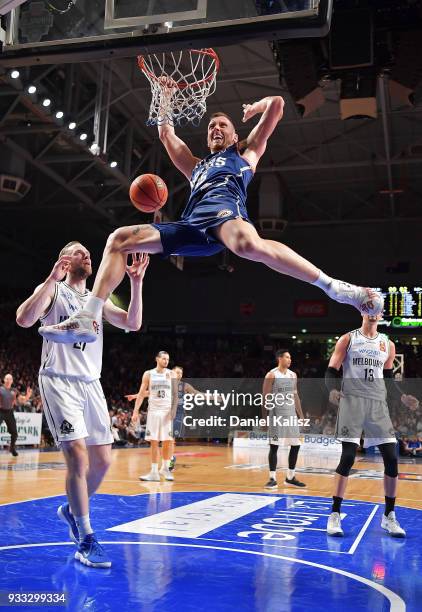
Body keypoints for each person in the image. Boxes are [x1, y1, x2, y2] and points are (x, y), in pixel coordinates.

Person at [39, 87, 383, 344]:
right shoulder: (195, 167)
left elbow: (277, 105)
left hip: (226, 217)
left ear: (235, 135)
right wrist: (165, 96)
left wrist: (255, 107)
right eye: (210, 127)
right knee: (119, 239)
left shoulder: (245, 156)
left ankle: (335, 288)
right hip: (191, 228)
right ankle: (89, 316)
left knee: (248, 245)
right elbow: (165, 133)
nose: (215, 128)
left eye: (222, 125)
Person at [16, 241, 149, 567]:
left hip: (91, 383)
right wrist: (49, 279)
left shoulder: (96, 300)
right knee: (77, 455)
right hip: (58, 379)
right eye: (79, 252)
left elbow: (133, 323)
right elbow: (23, 319)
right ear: (64, 259)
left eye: (89, 253)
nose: (87, 255)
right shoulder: (54, 290)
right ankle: (86, 538)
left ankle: (72, 509)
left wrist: (135, 282)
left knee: (102, 460)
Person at [325, 314, 419, 538]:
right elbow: (331, 371)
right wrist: (331, 390)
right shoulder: (348, 339)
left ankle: (389, 516)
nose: (372, 310)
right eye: (368, 305)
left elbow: (387, 378)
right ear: (361, 311)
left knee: (392, 457)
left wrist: (403, 396)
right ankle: (335, 514)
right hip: (352, 401)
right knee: (348, 457)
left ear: (380, 314)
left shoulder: (388, 344)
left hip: (378, 404)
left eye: (376, 306)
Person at [262, 350, 306, 489]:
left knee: (296, 445)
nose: (290, 359)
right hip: (276, 414)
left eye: (290, 357)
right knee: (274, 446)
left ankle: (290, 477)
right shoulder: (271, 375)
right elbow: (265, 397)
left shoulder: (293, 375)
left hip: (291, 415)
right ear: (279, 358)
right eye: (287, 357)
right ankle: (272, 478)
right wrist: (264, 418)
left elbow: (295, 396)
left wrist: (301, 415)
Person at [130, 351, 176, 482]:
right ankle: (154, 472)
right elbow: (141, 393)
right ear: (157, 359)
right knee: (154, 442)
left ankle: (165, 468)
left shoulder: (171, 374)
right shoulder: (148, 374)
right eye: (163, 359)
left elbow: (175, 395)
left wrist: (174, 409)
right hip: (154, 411)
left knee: (168, 441)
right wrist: (135, 411)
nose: (166, 361)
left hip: (167, 411)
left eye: (167, 359)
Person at [0, 374, 32, 456]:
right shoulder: (0, 389)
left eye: (10, 379)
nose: (8, 380)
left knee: (14, 433)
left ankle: (12, 448)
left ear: (12, 381)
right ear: (4, 380)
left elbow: (21, 401)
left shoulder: (14, 391)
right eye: (7, 379)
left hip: (9, 412)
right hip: (0, 411)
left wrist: (27, 395)